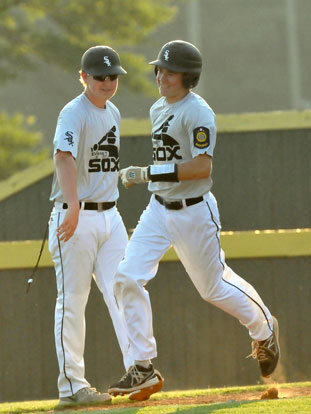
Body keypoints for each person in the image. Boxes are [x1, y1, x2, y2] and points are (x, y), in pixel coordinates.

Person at [108, 40, 280, 399]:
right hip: (158, 210)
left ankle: (263, 329)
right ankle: (143, 368)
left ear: (189, 77)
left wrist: (148, 172)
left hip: (194, 211)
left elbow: (202, 167)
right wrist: (152, 178)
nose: (162, 76)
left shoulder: (198, 112)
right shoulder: (158, 108)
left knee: (214, 287)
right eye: (160, 69)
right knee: (126, 277)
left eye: (170, 72)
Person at [48, 45, 133, 408]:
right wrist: (72, 205)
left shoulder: (113, 111)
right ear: (83, 77)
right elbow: (62, 156)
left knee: (126, 288)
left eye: (112, 75)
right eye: (99, 76)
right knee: (73, 302)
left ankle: (138, 369)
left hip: (110, 215)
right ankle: (73, 387)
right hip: (75, 216)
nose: (107, 81)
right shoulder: (73, 112)